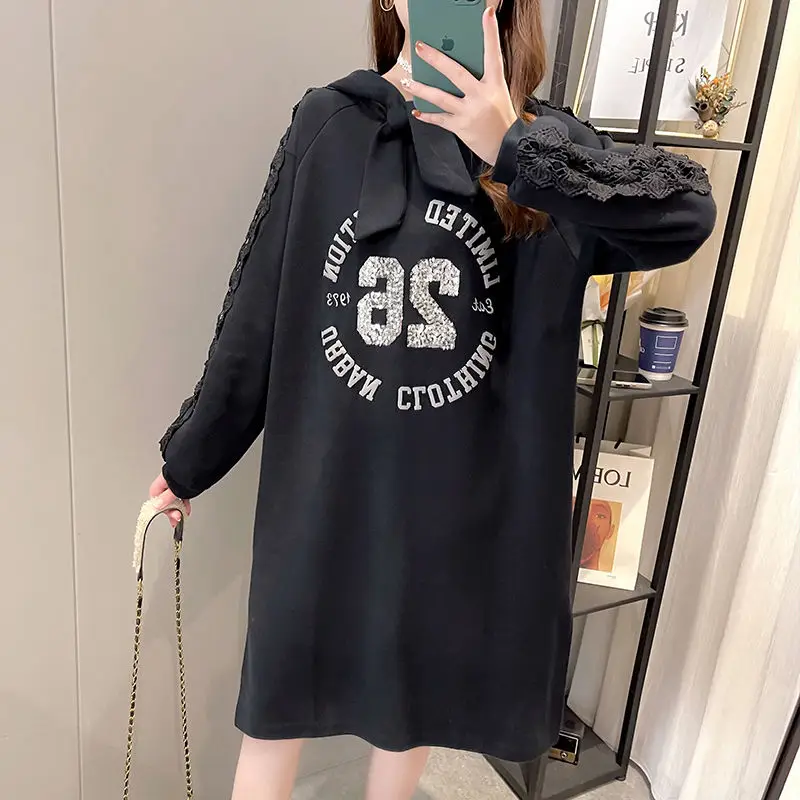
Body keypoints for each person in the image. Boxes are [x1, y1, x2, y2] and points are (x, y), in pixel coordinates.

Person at [147, 1, 716, 797]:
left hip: (467, 521)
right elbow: (257, 314)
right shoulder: (330, 126)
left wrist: (511, 146)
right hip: (330, 507)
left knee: (409, 715)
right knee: (275, 719)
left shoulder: (549, 145)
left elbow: (687, 212)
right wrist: (187, 462)